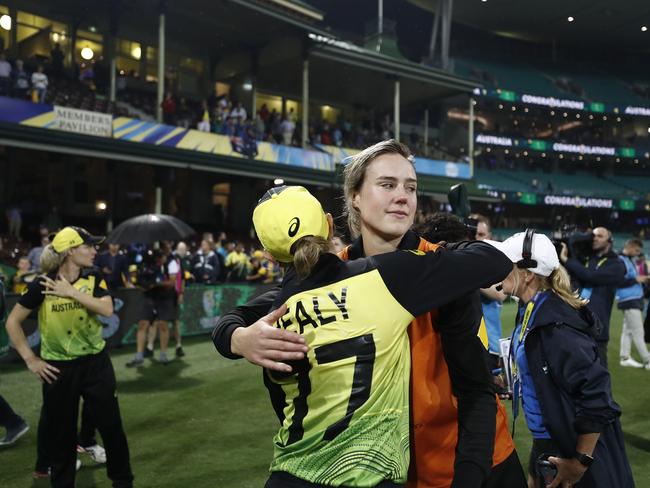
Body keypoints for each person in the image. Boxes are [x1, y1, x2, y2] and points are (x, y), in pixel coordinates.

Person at [213, 140, 525, 487]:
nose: (403, 196)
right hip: (387, 473)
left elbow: (476, 391)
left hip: (467, 463)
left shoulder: (442, 269)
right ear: (355, 198)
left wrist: (468, 478)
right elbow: (243, 314)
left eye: (411, 187)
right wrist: (239, 338)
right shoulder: (336, 274)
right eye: (387, 184)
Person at [491, 230, 634, 488]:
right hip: (547, 439)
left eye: (506, 264)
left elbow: (598, 395)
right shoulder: (530, 310)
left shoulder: (557, 325)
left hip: (571, 447)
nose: (499, 270)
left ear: (528, 274)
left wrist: (580, 461)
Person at [4, 226, 133, 487]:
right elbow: (12, 322)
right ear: (71, 251)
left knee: (112, 429)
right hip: (58, 369)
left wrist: (73, 293)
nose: (94, 251)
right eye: (88, 246)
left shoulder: (94, 277)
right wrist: (31, 360)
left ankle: (123, 482)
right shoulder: (42, 284)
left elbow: (107, 309)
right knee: (61, 438)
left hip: (96, 365)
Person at [560, 227, 626, 368]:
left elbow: (591, 276)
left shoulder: (617, 264)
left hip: (597, 329)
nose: (594, 238)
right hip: (575, 324)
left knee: (599, 374)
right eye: (592, 236)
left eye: (599, 236)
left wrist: (567, 260)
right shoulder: (586, 260)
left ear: (610, 240)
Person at [472, 214, 508, 373]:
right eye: (473, 234)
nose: (475, 238)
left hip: (489, 344)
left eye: (480, 234)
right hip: (467, 342)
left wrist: (467, 275)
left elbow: (500, 294)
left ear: (489, 237)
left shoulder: (497, 262)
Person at [615, 238, 650, 369]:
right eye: (636, 250)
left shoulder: (628, 260)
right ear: (629, 246)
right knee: (638, 332)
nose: (637, 253)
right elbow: (617, 281)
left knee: (628, 330)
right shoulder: (620, 260)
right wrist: (637, 279)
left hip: (633, 298)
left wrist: (640, 280)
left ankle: (625, 357)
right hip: (628, 299)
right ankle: (648, 360)